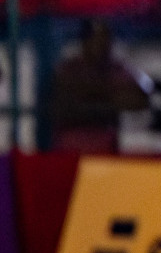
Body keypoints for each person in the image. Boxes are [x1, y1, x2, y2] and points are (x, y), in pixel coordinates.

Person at [50, 17, 151, 153]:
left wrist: (96, 92)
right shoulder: (70, 68)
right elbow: (66, 100)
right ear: (85, 41)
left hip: (107, 147)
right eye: (96, 38)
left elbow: (140, 97)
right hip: (71, 148)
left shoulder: (117, 68)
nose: (103, 44)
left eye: (106, 38)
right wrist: (109, 92)